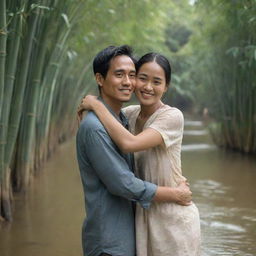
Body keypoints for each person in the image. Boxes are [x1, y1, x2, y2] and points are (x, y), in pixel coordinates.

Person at [78, 51, 201, 256]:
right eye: (142, 78)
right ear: (100, 79)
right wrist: (93, 106)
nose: (147, 86)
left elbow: (128, 143)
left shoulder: (171, 116)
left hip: (171, 214)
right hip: (144, 216)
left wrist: (95, 104)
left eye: (157, 81)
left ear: (166, 86)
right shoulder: (129, 115)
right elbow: (121, 179)